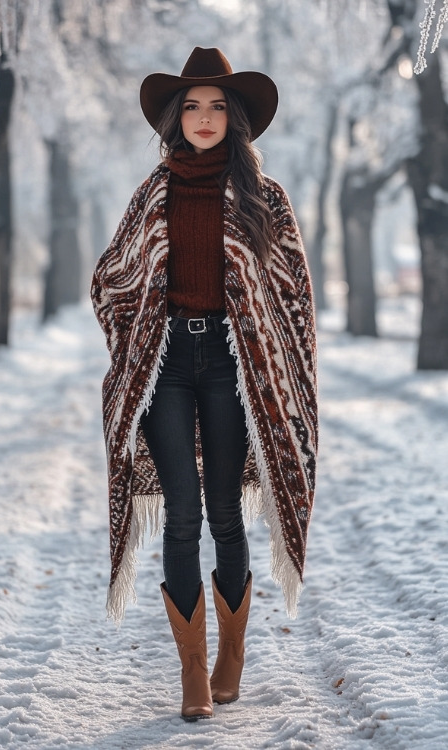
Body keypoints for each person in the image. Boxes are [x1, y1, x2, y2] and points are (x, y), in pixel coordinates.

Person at [91, 47, 318, 722]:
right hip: (164, 367)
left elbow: (295, 294)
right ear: (175, 119)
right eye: (193, 106)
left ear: (236, 118)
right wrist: (133, 337)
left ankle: (231, 655)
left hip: (232, 365)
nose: (205, 117)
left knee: (224, 511)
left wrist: (274, 357)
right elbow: (110, 279)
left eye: (218, 106)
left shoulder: (265, 198)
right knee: (182, 515)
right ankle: (192, 669)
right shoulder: (151, 193)